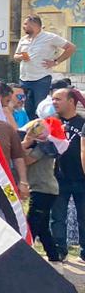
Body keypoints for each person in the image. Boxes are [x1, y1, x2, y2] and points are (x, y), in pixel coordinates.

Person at [49, 86, 85, 261]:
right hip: (58, 178)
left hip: (81, 178)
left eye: (58, 99)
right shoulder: (51, 123)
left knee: (83, 217)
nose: (54, 102)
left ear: (71, 101)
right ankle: (59, 250)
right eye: (53, 99)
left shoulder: (82, 123)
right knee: (57, 217)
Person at [22, 111, 63, 261]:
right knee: (43, 227)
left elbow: (26, 161)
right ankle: (53, 255)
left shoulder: (43, 147)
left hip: (43, 189)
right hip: (44, 189)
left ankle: (25, 255)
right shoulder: (42, 146)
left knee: (32, 223)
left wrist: (25, 143)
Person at [15, 15, 75, 115]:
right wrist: (20, 57)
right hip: (24, 79)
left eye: (26, 24)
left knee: (41, 109)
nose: (23, 26)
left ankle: (43, 125)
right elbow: (15, 55)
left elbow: (71, 47)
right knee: (26, 108)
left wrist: (56, 62)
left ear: (34, 25)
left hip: (41, 79)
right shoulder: (23, 39)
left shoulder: (50, 37)